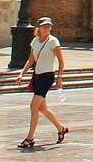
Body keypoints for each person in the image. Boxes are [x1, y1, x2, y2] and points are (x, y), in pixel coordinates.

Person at [14, 17, 68, 148]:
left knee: (33, 106)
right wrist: (22, 73)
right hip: (37, 76)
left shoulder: (53, 41)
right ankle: (61, 128)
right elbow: (31, 60)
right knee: (42, 108)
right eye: (44, 26)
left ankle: (30, 138)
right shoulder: (35, 41)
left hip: (47, 77)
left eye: (49, 26)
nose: (47, 28)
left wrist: (59, 77)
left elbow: (61, 60)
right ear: (39, 28)